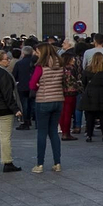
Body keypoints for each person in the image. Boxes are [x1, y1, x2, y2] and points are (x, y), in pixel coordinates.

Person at [29, 45, 65, 173]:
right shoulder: (60, 64)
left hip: (43, 100)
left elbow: (32, 84)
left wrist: (38, 84)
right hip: (58, 100)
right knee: (54, 132)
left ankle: (39, 164)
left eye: (37, 51)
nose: (36, 53)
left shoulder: (41, 66)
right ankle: (57, 162)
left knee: (42, 133)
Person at [79, 51, 103, 143]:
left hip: (90, 94)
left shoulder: (87, 70)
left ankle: (89, 134)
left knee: (90, 116)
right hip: (102, 93)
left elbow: (83, 82)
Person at [58, 51, 82, 141]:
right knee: (68, 113)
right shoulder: (69, 70)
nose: (74, 60)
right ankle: (66, 133)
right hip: (70, 93)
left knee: (63, 113)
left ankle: (64, 131)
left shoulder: (61, 69)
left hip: (62, 93)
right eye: (72, 59)